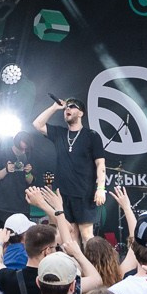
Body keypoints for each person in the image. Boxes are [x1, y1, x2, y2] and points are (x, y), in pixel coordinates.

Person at [34, 97, 105, 245]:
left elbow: (100, 164)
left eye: (72, 106)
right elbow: (37, 124)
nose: (67, 109)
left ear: (81, 113)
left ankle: (91, 261)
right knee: (70, 235)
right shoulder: (60, 133)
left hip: (84, 193)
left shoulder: (91, 135)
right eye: (66, 107)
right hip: (64, 194)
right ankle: (74, 261)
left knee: (87, 235)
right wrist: (54, 107)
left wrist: (101, 188)